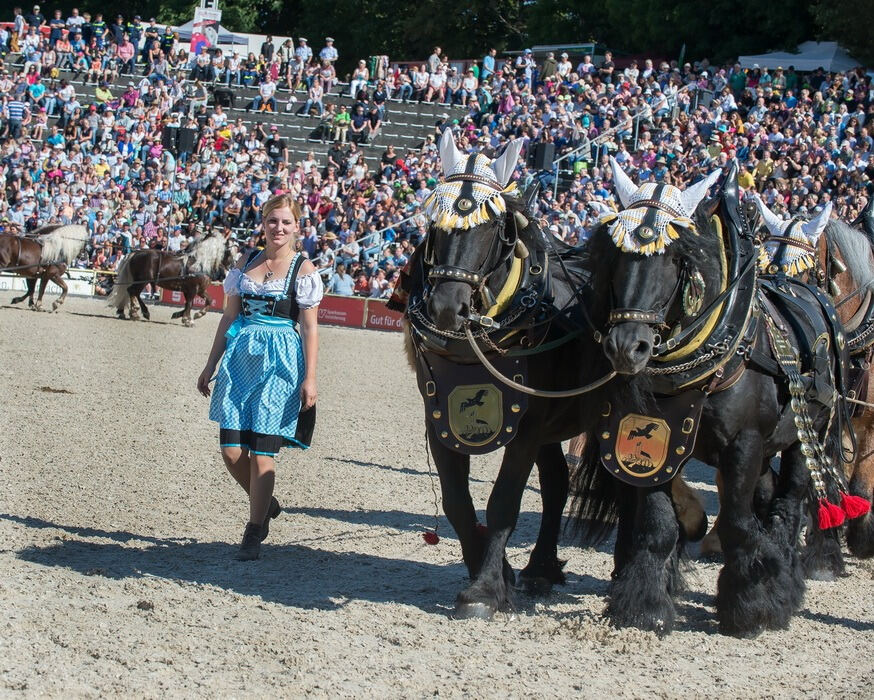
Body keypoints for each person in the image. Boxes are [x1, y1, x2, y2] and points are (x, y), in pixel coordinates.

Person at [197, 193, 322, 561]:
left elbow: (311, 329)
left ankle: (254, 530)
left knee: (263, 453)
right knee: (231, 450)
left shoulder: (304, 270)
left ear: (297, 227)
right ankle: (264, 503)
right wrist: (210, 364)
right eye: (272, 221)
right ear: (263, 223)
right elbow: (228, 317)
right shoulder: (246, 261)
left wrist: (310, 378)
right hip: (240, 360)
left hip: (281, 362)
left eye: (286, 222)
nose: (278, 228)